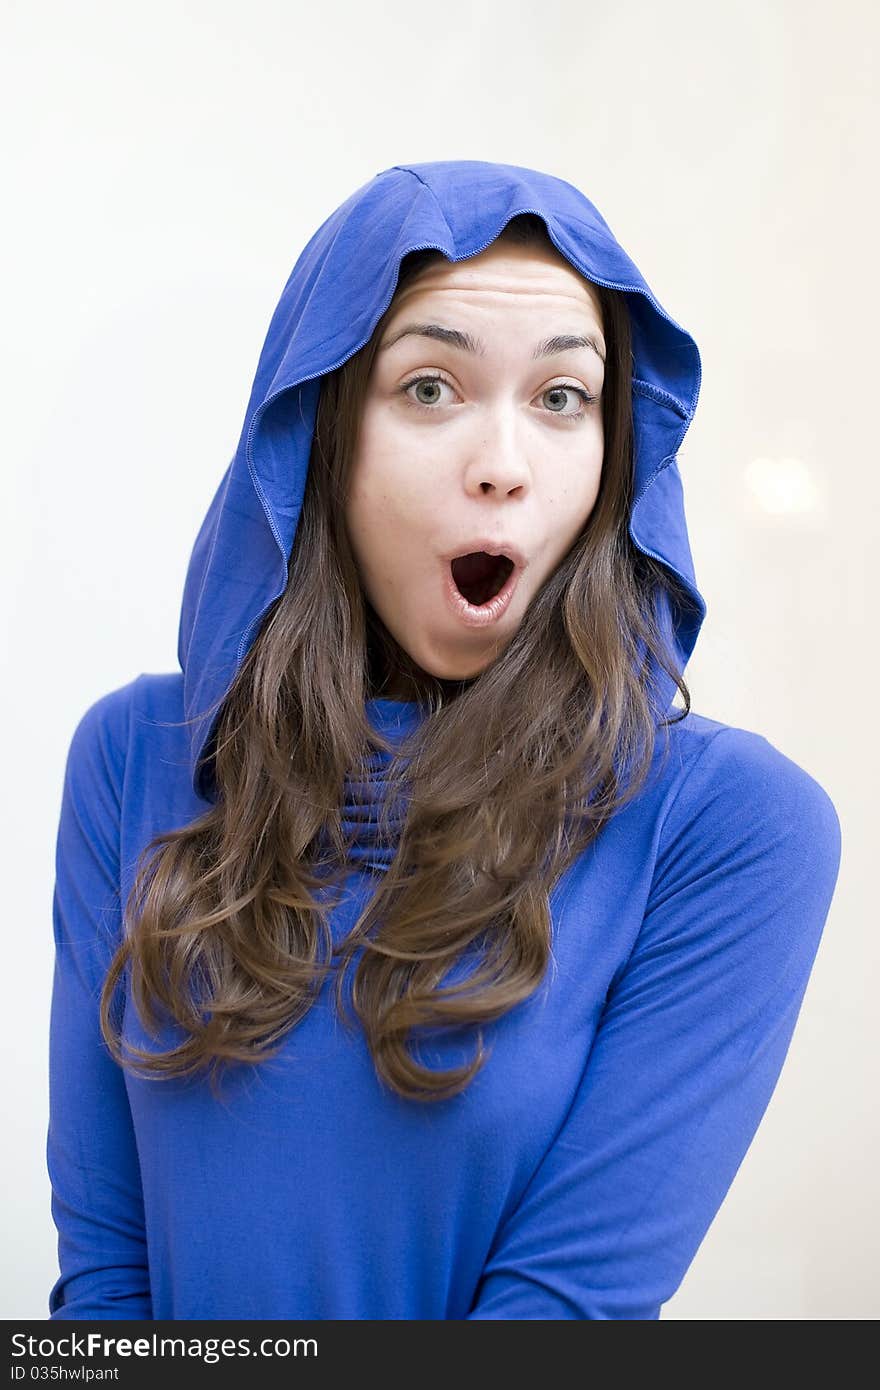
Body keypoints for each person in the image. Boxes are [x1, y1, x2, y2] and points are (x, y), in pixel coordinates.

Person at [46, 159, 842, 1322]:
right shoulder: (136, 757)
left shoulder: (727, 827)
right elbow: (106, 1291)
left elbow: (564, 1314)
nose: (505, 464)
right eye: (429, 387)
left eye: (563, 398)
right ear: (318, 434)